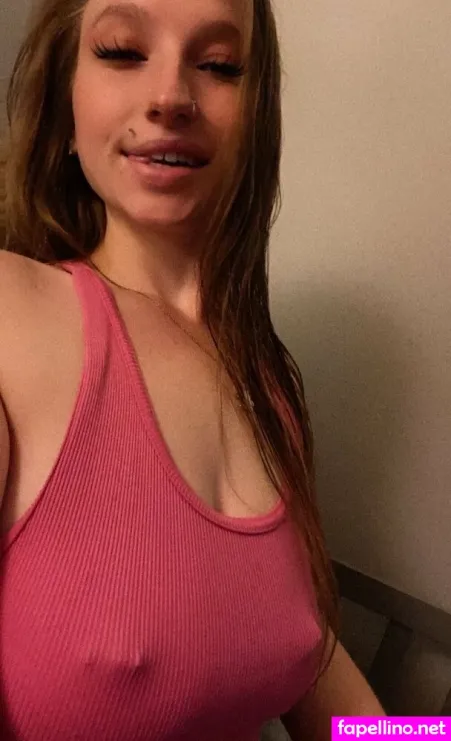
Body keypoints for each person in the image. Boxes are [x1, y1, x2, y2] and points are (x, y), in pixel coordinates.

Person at [0, 0, 386, 738]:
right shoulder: (9, 318)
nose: (171, 96)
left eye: (218, 65)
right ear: (63, 110)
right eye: (121, 51)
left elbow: (317, 669)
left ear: (254, 120)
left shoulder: (268, 385)